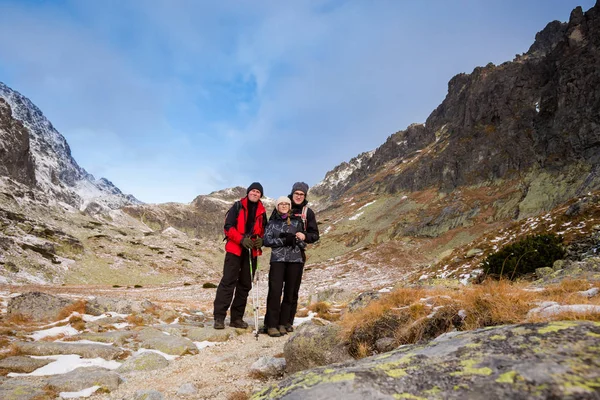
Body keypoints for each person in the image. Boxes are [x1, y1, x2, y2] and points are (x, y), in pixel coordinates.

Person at [213, 182, 267, 329]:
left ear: (260, 195)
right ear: (248, 192)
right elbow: (228, 228)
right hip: (235, 250)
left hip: (251, 252)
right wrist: (242, 239)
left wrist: (260, 241)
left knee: (244, 285)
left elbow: (264, 232)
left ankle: (236, 319)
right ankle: (219, 317)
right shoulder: (237, 207)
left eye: (258, 192)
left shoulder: (262, 212)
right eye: (253, 191)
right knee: (228, 282)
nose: (255, 193)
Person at [262, 196, 307, 337]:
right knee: (275, 291)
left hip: (295, 260)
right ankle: (271, 324)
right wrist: (284, 240)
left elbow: (302, 241)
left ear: (289, 206)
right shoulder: (272, 222)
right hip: (278, 260)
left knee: (289, 292)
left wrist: (298, 240)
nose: (283, 206)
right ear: (277, 206)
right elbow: (266, 240)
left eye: (285, 204)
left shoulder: (297, 222)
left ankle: (283, 323)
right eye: (280, 204)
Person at [284, 182, 319, 330]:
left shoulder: (308, 213)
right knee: (276, 290)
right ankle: (274, 322)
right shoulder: (283, 207)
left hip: (297, 256)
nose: (298, 196)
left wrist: (304, 236)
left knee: (292, 290)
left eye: (301, 194)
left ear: (304, 196)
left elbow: (315, 235)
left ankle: (287, 322)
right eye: (296, 193)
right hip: (280, 256)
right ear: (292, 194)